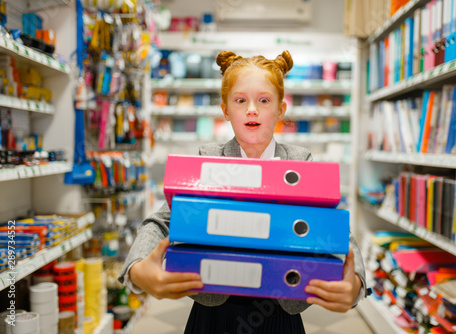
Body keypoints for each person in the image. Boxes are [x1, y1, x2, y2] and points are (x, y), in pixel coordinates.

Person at [118, 50, 367, 333]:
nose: (252, 109)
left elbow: (335, 227)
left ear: (280, 110)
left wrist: (355, 279)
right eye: (240, 100)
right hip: (213, 312)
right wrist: (138, 267)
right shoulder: (208, 162)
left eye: (264, 100)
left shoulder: (301, 163)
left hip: (280, 310)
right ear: (225, 109)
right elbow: (163, 221)